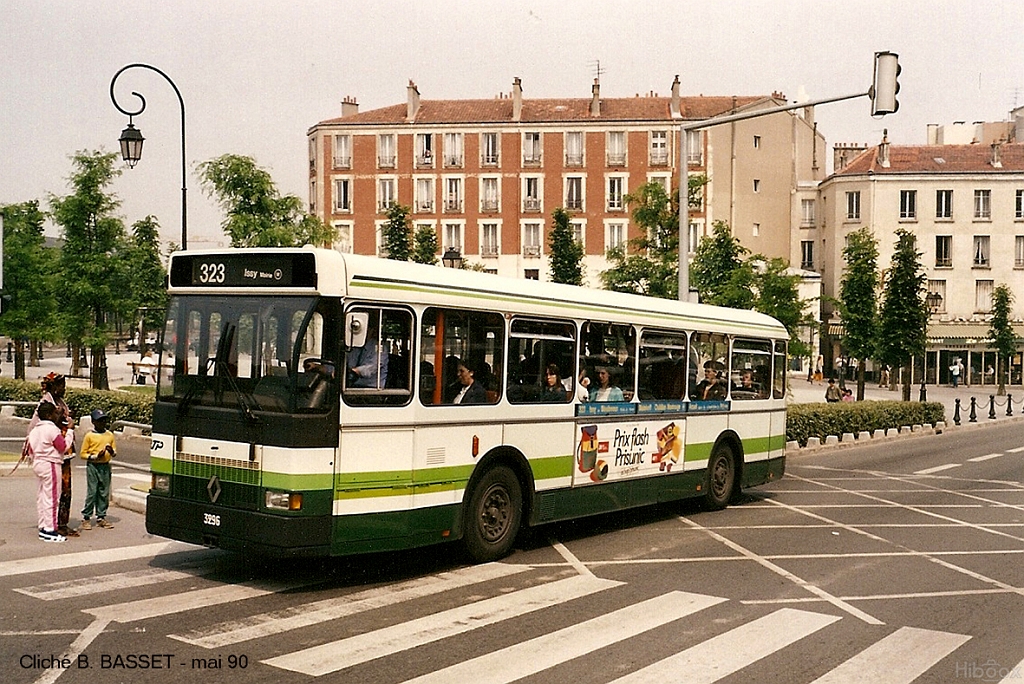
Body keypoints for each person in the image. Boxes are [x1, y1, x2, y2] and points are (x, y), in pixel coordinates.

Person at [28, 373, 77, 537]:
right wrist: (69, 427)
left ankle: (58, 522)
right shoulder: (46, 406)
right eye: (61, 386)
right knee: (54, 493)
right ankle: (52, 526)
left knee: (62, 491)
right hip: (54, 454)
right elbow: (36, 428)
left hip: (60, 454)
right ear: (53, 387)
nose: (64, 389)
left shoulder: (59, 402)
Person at [28, 401, 68, 543]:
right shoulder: (51, 430)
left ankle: (43, 525)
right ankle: (50, 529)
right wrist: (69, 433)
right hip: (50, 463)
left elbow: (30, 449)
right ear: (48, 415)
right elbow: (62, 446)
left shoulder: (34, 430)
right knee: (52, 497)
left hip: (38, 463)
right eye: (54, 413)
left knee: (41, 496)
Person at [80, 409, 116, 530]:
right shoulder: (89, 436)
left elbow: (114, 452)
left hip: (105, 466)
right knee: (92, 492)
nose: (102, 423)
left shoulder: (109, 435)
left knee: (104, 492)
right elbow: (83, 454)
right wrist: (95, 456)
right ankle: (86, 517)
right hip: (93, 466)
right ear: (93, 422)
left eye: (104, 420)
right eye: (99, 421)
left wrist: (111, 452)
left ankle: (101, 516)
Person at [347, 322, 388, 389]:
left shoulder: (379, 347)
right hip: (352, 386)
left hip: (372, 390)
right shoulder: (354, 346)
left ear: (372, 331)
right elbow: (348, 363)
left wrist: (354, 371)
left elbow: (371, 368)